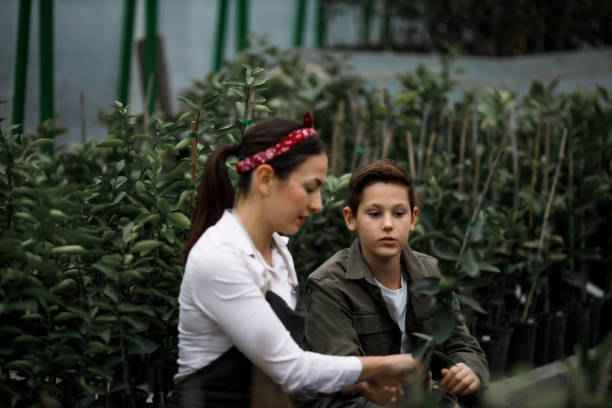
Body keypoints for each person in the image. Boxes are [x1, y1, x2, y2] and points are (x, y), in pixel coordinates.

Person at [167, 115, 423, 408]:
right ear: (265, 179)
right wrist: (388, 365)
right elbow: (292, 370)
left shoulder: (278, 253)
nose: (317, 204)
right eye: (310, 188)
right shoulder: (221, 258)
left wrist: (360, 385)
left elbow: (286, 373)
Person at [302, 159, 489, 407]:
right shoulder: (329, 286)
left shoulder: (431, 274)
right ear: (351, 218)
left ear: (413, 219)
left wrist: (469, 372)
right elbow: (341, 384)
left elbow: (463, 345)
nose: (388, 224)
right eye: (374, 213)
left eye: (399, 213)